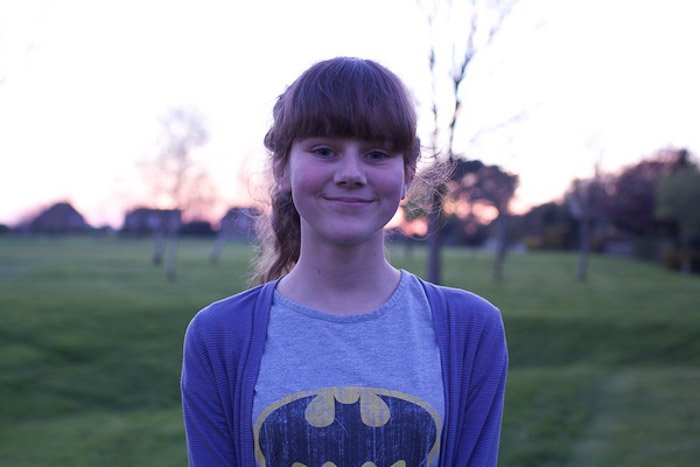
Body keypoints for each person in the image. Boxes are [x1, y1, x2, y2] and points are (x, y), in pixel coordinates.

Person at [181, 57, 508, 466]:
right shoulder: (219, 336)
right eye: (324, 150)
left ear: (407, 175)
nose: (351, 173)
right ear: (282, 167)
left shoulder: (470, 330)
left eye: (375, 153)